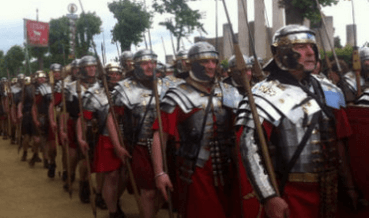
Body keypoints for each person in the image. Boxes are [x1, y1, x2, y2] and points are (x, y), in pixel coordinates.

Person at [235, 25, 358, 218]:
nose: (310, 52)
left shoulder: (330, 90)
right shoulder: (261, 95)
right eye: (300, 47)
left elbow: (340, 136)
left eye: (312, 46)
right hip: (293, 191)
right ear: (282, 52)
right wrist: (268, 196)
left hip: (332, 188)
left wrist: (349, 185)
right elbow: (248, 146)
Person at [152, 41, 243, 218]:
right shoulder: (177, 95)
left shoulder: (228, 91)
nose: (211, 66)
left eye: (214, 61)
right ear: (191, 64)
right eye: (205, 61)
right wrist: (159, 172)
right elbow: (159, 136)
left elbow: (241, 130)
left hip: (228, 166)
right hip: (196, 168)